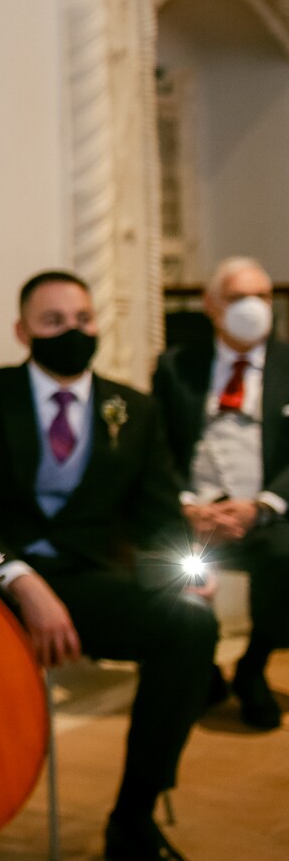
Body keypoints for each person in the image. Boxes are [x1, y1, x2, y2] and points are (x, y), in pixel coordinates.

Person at [0, 270, 215, 861]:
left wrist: (185, 574)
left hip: (88, 582)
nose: (73, 331)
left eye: (83, 319)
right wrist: (21, 579)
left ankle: (133, 819)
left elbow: (159, 516)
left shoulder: (133, 409)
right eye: (53, 322)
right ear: (22, 331)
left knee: (190, 625)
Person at [154, 255, 287, 729]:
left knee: (285, 555)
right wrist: (188, 506)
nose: (252, 307)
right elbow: (160, 447)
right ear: (211, 306)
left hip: (266, 513)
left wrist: (262, 507)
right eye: (237, 298)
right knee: (158, 554)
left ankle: (252, 667)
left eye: (263, 297)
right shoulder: (176, 368)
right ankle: (201, 665)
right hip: (196, 514)